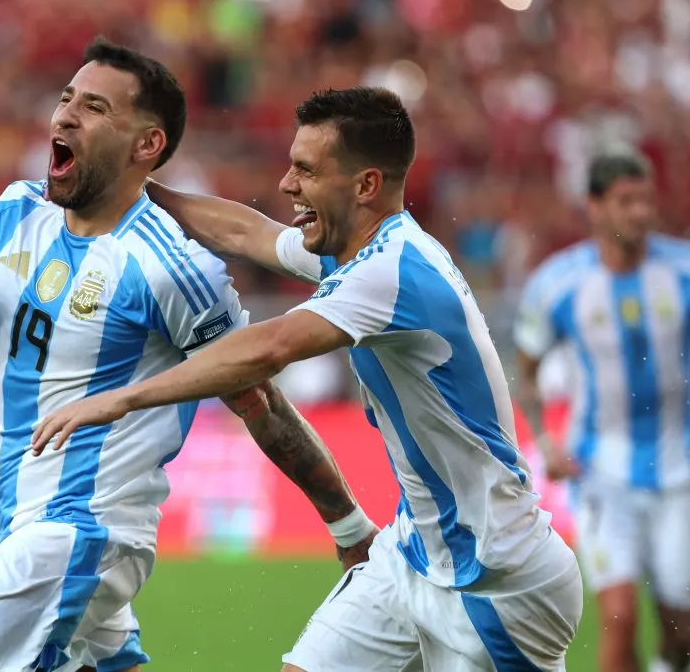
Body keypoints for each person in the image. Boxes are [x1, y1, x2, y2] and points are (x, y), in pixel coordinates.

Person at [0, 39, 371, 672]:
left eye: (95, 107)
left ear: (146, 145)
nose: (66, 116)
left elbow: (258, 398)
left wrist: (348, 527)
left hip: (82, 534)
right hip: (29, 531)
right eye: (66, 99)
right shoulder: (16, 214)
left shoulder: (171, 266)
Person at [32, 86, 584, 671]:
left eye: (305, 170)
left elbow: (271, 347)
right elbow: (249, 234)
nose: (286, 185)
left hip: (497, 581)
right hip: (413, 556)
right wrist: (143, 190)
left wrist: (121, 400)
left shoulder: (392, 274)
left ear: (365, 185)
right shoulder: (357, 252)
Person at [514, 149, 690, 672]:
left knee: (681, 628)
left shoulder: (681, 271)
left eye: (645, 200)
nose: (639, 212)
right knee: (620, 615)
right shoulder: (558, 283)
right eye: (624, 201)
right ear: (594, 206)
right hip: (600, 470)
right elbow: (524, 374)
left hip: (680, 468)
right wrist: (547, 440)